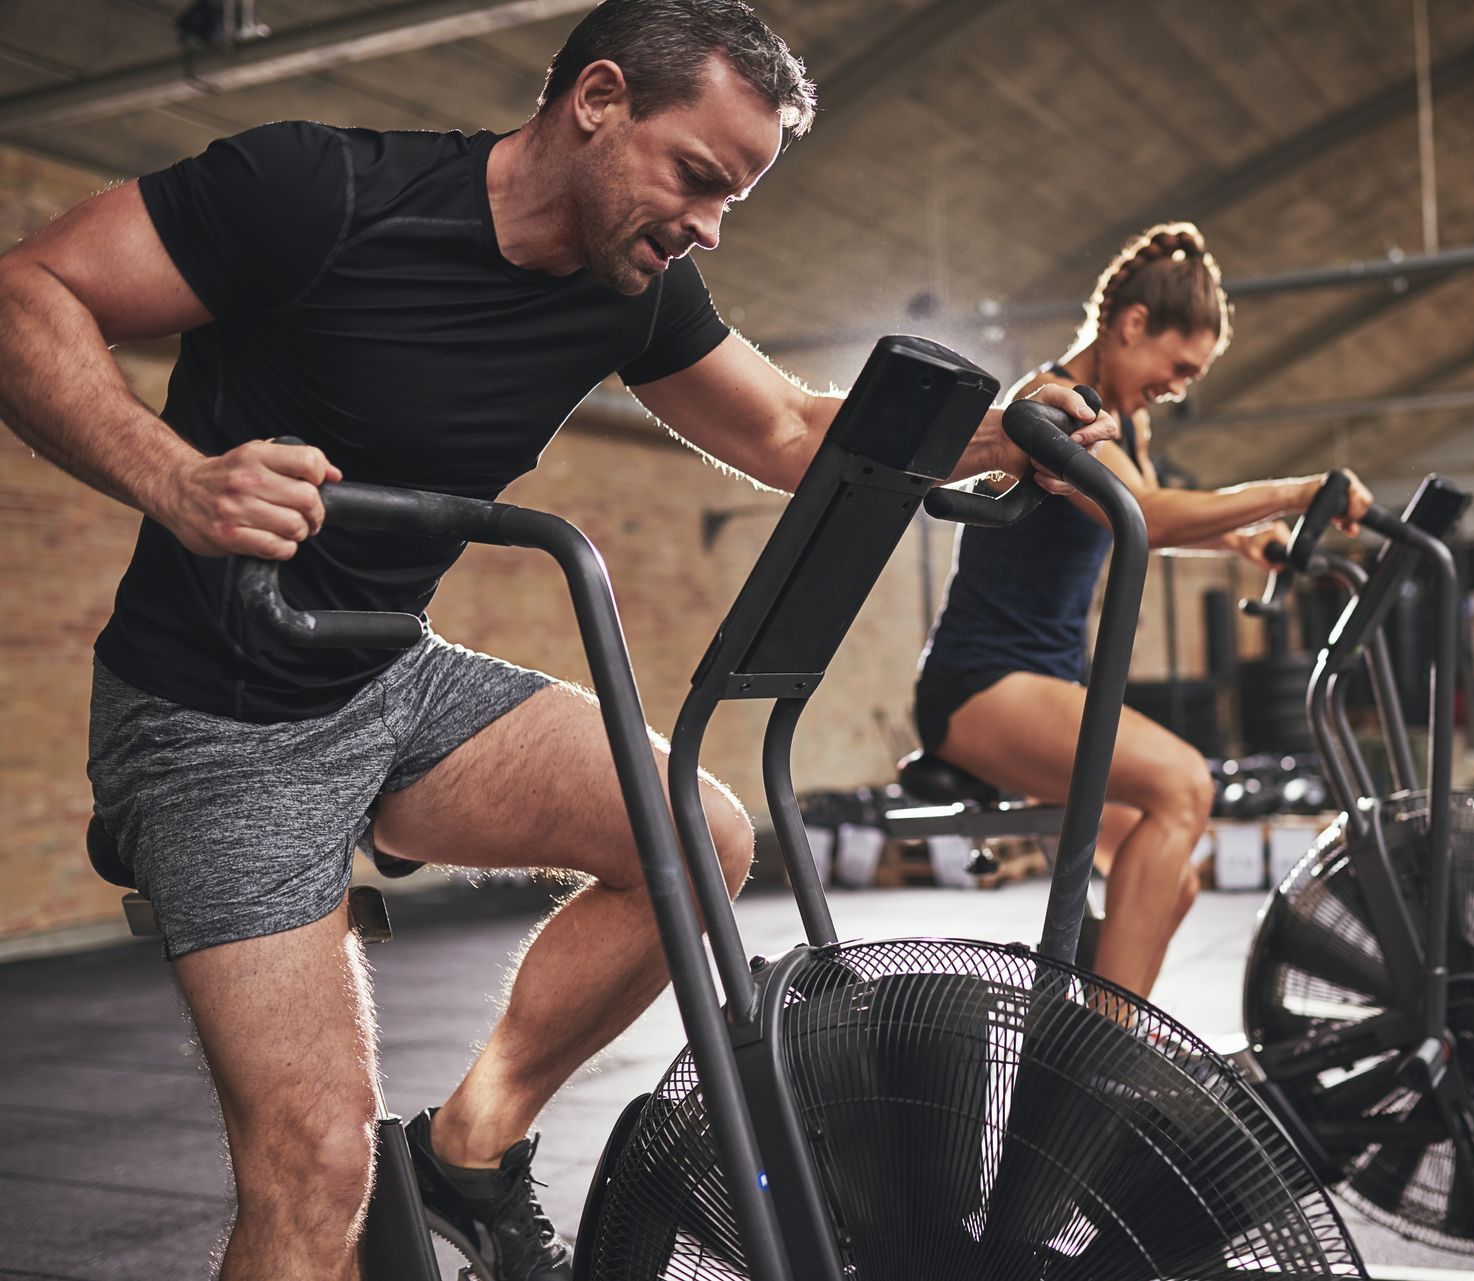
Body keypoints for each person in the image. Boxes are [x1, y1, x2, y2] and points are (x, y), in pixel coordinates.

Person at [0, 3, 1115, 1277]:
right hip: (212, 722)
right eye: (697, 176)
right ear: (596, 101)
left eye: (734, 200)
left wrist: (999, 427)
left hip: (384, 675)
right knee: (314, 1176)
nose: (705, 225)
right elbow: (28, 287)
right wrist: (177, 477)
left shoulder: (630, 285)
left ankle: (469, 1149)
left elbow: (794, 434)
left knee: (702, 842)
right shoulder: (316, 190)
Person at [915, 222, 1372, 1001]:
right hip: (983, 683)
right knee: (1185, 787)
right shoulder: (1049, 403)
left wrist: (1240, 542)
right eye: (1178, 364)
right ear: (1131, 325)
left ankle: (1090, 1029)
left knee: (1174, 881)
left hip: (1042, 683)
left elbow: (1131, 523)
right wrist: (1297, 492)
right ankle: (1100, 1056)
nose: (1180, 384)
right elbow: (1148, 514)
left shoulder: (1126, 423)